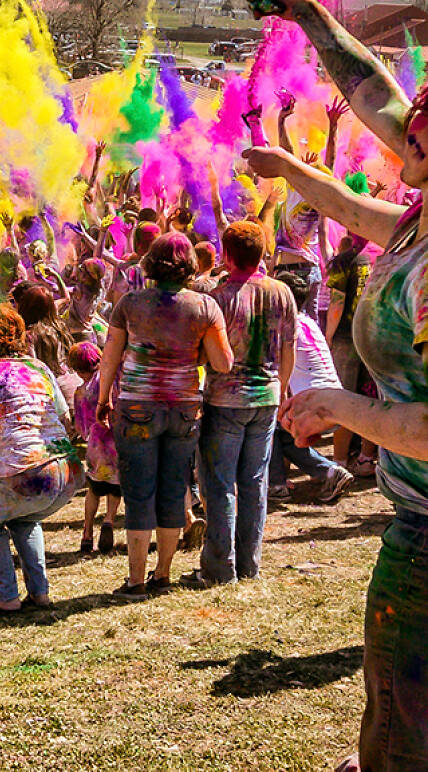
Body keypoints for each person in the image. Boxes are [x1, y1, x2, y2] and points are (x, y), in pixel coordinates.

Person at [245, 2, 428, 763]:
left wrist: (340, 404)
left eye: (418, 139)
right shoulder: (421, 220)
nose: (403, 137)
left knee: (400, 720)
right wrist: (310, 17)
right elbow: (377, 99)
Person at [96, 232, 233, 599]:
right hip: (185, 409)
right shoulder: (205, 307)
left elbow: (110, 355)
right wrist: (193, 356)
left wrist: (103, 397)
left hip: (137, 405)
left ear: (151, 263)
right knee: (174, 489)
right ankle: (164, 574)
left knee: (139, 493)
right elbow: (224, 362)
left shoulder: (130, 303)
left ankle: (136, 580)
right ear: (189, 264)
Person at [183, 221, 297, 588]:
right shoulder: (282, 292)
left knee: (219, 485)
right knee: (254, 483)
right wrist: (281, 389)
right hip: (265, 396)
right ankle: (249, 564)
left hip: (225, 399)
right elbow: (289, 348)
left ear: (228, 256)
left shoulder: (216, 298)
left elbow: (203, 355)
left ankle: (220, 567)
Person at [0, 304, 81, 613]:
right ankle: (40, 593)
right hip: (68, 470)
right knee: (23, 518)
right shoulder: (38, 367)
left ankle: (5, 597)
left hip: (28, 473)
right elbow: (64, 417)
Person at [266, 271, 355, 503]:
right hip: (336, 403)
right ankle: (329, 472)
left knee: (270, 423)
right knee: (282, 430)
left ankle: (276, 485)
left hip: (319, 409)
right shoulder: (309, 322)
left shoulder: (285, 328)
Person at [324, 236, 378, 477]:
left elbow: (337, 303)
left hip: (347, 335)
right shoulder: (384, 257)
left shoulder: (345, 260)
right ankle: (367, 459)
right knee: (371, 398)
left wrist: (328, 335)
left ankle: (340, 461)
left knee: (343, 399)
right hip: (376, 335)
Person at [69, 340, 121, 554]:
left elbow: (81, 428)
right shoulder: (113, 381)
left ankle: (87, 532)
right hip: (117, 444)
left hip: (95, 447)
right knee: (115, 487)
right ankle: (108, 520)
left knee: (94, 489)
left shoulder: (81, 393)